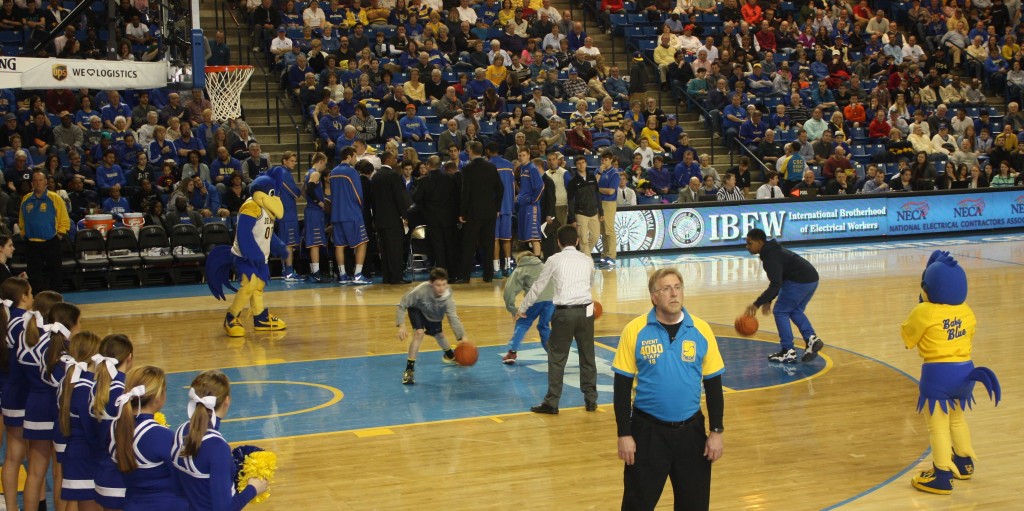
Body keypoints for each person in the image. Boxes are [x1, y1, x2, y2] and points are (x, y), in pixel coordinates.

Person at [613, 268, 725, 510]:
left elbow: (714, 384)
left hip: (691, 433)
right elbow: (621, 387)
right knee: (637, 504)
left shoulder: (701, 330)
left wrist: (716, 431)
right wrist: (624, 433)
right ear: (653, 296)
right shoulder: (635, 330)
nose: (674, 294)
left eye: (677, 287)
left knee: (694, 504)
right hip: (647, 433)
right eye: (666, 289)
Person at [903, 251, 1000, 495]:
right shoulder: (967, 311)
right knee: (957, 419)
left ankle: (942, 475)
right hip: (966, 372)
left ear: (928, 288)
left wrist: (921, 305)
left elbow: (908, 339)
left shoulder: (924, 312)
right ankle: (964, 462)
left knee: (937, 427)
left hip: (937, 375)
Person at [519, 225, 597, 414]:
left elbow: (538, 287)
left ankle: (552, 402)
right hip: (586, 312)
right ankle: (591, 400)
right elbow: (591, 282)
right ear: (577, 241)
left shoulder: (554, 260)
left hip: (564, 313)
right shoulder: (588, 260)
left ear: (559, 242)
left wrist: (522, 308)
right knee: (588, 356)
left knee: (557, 357)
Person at [172, 370, 269, 510]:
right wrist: (253, 489)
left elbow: (177, 487)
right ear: (227, 401)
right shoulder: (217, 447)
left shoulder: (180, 431)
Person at [111, 365, 189, 510]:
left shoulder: (114, 428)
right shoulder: (160, 435)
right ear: (158, 397)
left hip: (132, 504)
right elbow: (184, 481)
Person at [744, 228, 825, 364]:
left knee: (780, 311)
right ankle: (812, 339)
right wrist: (768, 299)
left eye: (749, 243)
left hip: (799, 281)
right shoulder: (772, 251)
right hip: (811, 278)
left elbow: (776, 283)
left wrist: (757, 304)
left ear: (759, 242)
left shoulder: (770, 257)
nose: (747, 247)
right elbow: (778, 280)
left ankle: (788, 351)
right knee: (794, 310)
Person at [396, 268, 467, 385]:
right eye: (438, 285)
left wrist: (462, 337)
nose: (441, 288)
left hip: (431, 311)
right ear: (430, 284)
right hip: (416, 308)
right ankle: (409, 370)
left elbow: (453, 318)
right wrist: (402, 325)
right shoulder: (420, 291)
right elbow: (402, 304)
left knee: (439, 334)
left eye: (444, 284)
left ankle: (450, 356)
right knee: (419, 333)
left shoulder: (447, 298)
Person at [457, 141, 504, 283]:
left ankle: (465, 276)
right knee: (488, 245)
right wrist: (496, 208)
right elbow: (500, 189)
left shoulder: (467, 169)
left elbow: (465, 193)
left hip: (473, 213)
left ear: (471, 151)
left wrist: (461, 212)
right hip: (489, 212)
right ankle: (488, 275)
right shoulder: (491, 167)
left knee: (468, 245)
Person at [501, 247, 555, 364]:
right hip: (552, 300)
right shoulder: (544, 265)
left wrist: (513, 309)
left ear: (519, 261)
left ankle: (512, 352)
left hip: (535, 300)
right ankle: (553, 354)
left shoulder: (520, 269)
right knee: (544, 326)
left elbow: (509, 291)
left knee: (522, 323)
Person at [19, 171, 69, 293]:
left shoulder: (54, 198)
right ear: (32, 183)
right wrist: (23, 233)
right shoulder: (26, 199)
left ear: (46, 182)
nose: (37, 183)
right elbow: (21, 219)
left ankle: (55, 295)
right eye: (35, 181)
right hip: (31, 242)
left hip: (51, 241)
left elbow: (64, 219)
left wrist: (59, 234)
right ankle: (37, 296)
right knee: (33, 272)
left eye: (40, 180)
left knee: (55, 270)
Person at [329, 147, 372, 285]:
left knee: (340, 246)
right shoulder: (351, 172)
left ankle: (342, 275)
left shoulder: (333, 172)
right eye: (354, 156)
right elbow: (358, 194)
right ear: (349, 156)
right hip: (352, 213)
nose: (355, 159)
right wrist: (360, 208)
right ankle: (358, 275)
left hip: (337, 214)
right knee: (362, 242)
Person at [412, 161, 461, 277]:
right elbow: (458, 196)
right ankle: (453, 273)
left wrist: (425, 207)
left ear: (428, 165)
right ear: (440, 165)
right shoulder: (450, 178)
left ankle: (441, 275)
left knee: (438, 247)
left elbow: (416, 197)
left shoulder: (423, 181)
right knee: (450, 245)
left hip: (432, 218)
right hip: (449, 218)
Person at [370, 152, 412, 285]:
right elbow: (398, 198)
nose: (396, 161)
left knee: (385, 249)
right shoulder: (393, 175)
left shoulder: (375, 176)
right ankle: (396, 277)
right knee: (395, 249)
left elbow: (373, 200)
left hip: (380, 219)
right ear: (388, 159)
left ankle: (387, 277)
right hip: (393, 219)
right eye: (394, 159)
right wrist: (404, 215)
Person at [269, 152, 304, 281]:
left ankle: (286, 270)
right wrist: (303, 187)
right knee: (288, 244)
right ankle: (288, 271)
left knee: (286, 243)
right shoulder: (283, 174)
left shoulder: (281, 173)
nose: (294, 163)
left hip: (285, 213)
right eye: (292, 161)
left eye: (295, 161)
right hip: (287, 214)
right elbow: (295, 193)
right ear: (284, 161)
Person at [303, 152, 331, 283]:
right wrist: (318, 202)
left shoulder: (307, 173)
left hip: (311, 210)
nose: (325, 166)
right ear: (320, 161)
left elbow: (303, 191)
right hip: (314, 211)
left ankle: (314, 271)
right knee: (315, 242)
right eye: (324, 164)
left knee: (315, 242)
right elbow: (308, 190)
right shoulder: (315, 173)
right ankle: (316, 273)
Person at [516, 148, 544, 256]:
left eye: (523, 155)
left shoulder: (532, 168)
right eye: (519, 155)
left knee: (534, 235)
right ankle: (533, 258)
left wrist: (532, 200)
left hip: (531, 206)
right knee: (527, 235)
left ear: (528, 156)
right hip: (524, 205)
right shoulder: (522, 168)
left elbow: (540, 186)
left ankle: (537, 259)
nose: (521, 157)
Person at [596, 151, 619, 267]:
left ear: (610, 160)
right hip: (598, 203)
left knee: (609, 230)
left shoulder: (614, 173)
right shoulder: (598, 171)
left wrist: (598, 189)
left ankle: (611, 256)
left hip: (609, 203)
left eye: (606, 159)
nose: (603, 162)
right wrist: (599, 172)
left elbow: (611, 191)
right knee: (602, 231)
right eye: (602, 159)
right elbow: (593, 183)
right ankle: (604, 255)